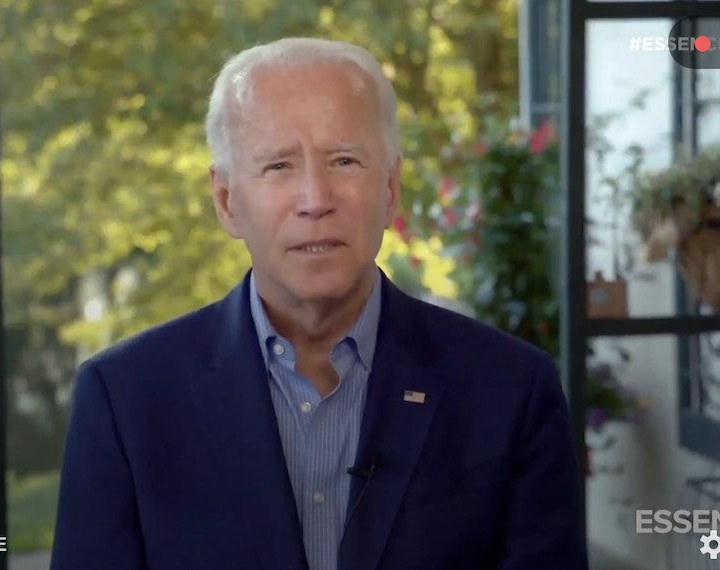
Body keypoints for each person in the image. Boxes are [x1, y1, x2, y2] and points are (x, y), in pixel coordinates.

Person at [50, 37, 587, 570]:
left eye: (345, 160)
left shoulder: (511, 389)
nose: (315, 200)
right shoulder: (125, 400)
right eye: (278, 166)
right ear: (227, 201)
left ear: (391, 190)